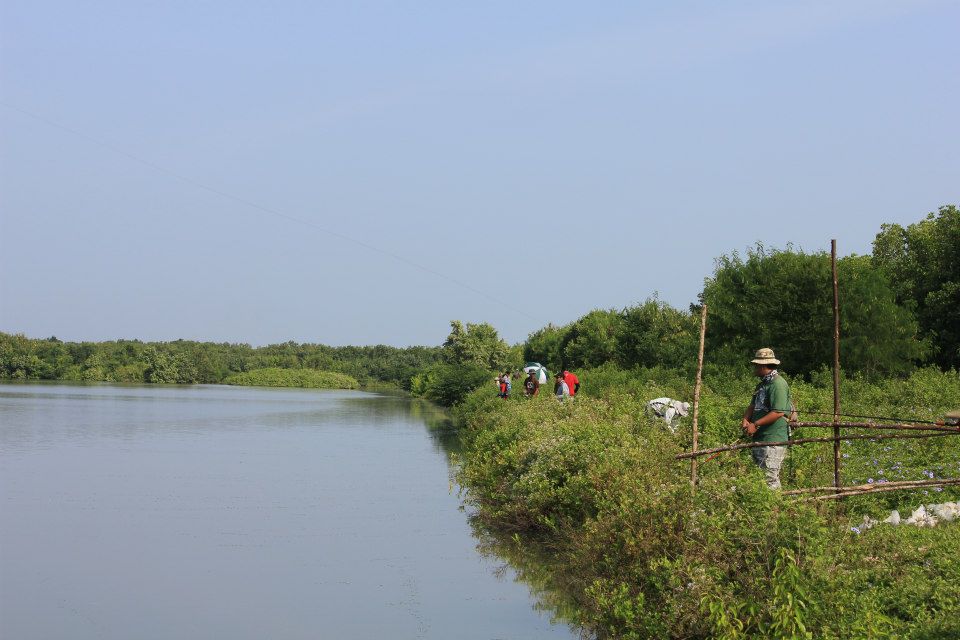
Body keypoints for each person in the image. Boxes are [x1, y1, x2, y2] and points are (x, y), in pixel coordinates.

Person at [742, 347, 792, 490]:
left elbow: (778, 412)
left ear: (763, 366)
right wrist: (746, 419)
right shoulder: (762, 384)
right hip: (761, 438)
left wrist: (755, 424)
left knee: (770, 479)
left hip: (773, 440)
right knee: (759, 477)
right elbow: (752, 406)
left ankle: (775, 510)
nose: (754, 368)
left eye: (756, 365)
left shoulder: (778, 384)